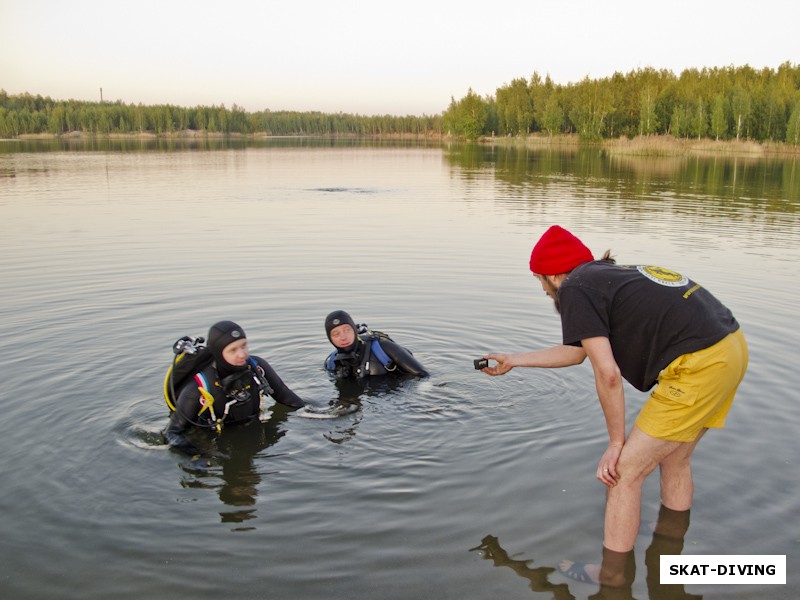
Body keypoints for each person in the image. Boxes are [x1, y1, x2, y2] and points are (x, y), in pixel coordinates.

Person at [481, 225, 748, 556]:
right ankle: (670, 538)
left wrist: (616, 442)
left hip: (699, 366)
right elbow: (578, 352)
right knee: (676, 457)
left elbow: (608, 374)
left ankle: (611, 578)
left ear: (551, 274)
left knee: (622, 472)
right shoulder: (604, 276)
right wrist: (515, 360)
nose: (544, 291)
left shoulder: (575, 289)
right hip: (729, 347)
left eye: (540, 281)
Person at [164, 320, 304, 456]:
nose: (242, 354)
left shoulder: (258, 368)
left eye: (244, 346)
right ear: (218, 353)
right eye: (233, 350)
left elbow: (290, 400)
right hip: (215, 440)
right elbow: (172, 433)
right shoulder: (199, 388)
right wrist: (196, 457)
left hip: (254, 433)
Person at [324, 310, 429, 380]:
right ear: (330, 338)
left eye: (347, 330)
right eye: (336, 334)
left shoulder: (384, 348)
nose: (343, 337)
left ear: (354, 331)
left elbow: (423, 374)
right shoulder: (331, 363)